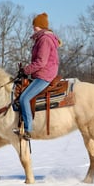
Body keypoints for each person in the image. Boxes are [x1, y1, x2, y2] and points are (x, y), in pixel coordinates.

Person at [14, 12, 61, 140]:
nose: (33, 28)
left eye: (36, 26)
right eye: (34, 26)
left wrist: (26, 70)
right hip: (41, 73)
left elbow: (41, 62)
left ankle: (28, 129)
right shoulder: (41, 38)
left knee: (24, 98)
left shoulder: (44, 40)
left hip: (44, 75)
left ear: (41, 26)